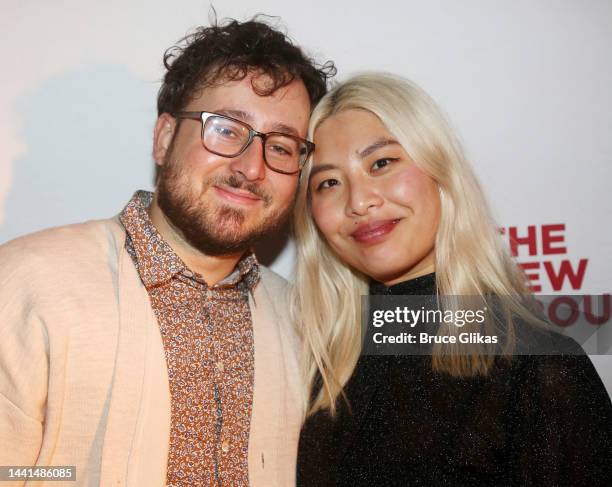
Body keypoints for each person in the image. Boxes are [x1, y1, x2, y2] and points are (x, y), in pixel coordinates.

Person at [0, 17, 334, 486]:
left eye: (280, 146)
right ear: (163, 139)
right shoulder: (26, 284)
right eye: (226, 129)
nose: (252, 167)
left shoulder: (304, 324)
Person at [291, 72, 612, 486]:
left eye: (382, 163)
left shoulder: (534, 363)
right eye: (328, 182)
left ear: (440, 170)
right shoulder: (318, 362)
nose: (358, 200)